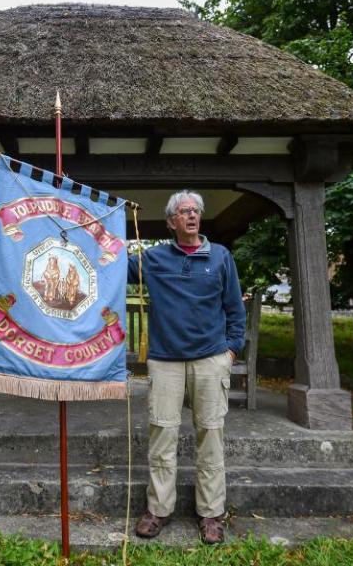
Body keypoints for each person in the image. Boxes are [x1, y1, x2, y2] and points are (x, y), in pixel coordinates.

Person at [128, 190, 246, 544]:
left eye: (195, 210)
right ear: (171, 222)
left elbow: (234, 310)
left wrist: (230, 351)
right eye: (183, 212)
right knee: (162, 433)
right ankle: (158, 510)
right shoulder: (154, 258)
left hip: (210, 358)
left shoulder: (221, 257)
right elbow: (108, 266)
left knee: (210, 433)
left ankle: (211, 514)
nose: (192, 216)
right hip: (165, 360)